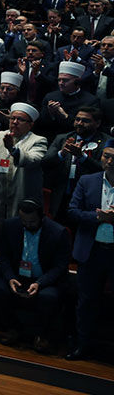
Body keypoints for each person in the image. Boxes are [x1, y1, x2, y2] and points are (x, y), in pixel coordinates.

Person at [0, 199, 71, 353]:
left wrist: (40, 282)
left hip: (43, 280)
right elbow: (2, 255)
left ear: (42, 217)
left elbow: (60, 266)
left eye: (32, 221)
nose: (27, 225)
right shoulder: (10, 226)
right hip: (17, 277)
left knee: (49, 297)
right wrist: (10, 277)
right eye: (23, 221)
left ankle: (41, 334)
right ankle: (13, 328)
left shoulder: (58, 232)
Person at [64, 145, 114, 361]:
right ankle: (83, 345)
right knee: (86, 301)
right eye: (106, 156)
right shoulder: (87, 180)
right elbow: (72, 212)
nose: (110, 161)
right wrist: (98, 218)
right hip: (91, 252)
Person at [0, 102, 47, 221]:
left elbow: (33, 160)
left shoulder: (38, 140)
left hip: (22, 194)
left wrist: (12, 149)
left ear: (30, 124)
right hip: (0, 193)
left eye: (20, 119)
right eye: (12, 118)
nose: (15, 122)